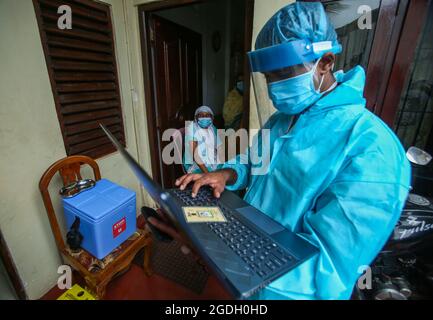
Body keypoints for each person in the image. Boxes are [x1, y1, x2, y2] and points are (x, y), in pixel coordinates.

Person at [150, 2, 411, 299]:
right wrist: (224, 173)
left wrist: (211, 251)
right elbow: (252, 161)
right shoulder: (282, 120)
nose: (274, 88)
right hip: (242, 252)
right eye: (268, 77)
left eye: (283, 74)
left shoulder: (372, 149)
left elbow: (323, 273)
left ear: (325, 62)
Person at [183, 106, 222, 174]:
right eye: (201, 115)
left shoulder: (213, 128)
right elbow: (195, 155)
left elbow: (219, 148)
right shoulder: (192, 128)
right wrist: (208, 174)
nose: (204, 117)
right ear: (196, 118)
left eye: (207, 115)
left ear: (212, 118)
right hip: (196, 164)